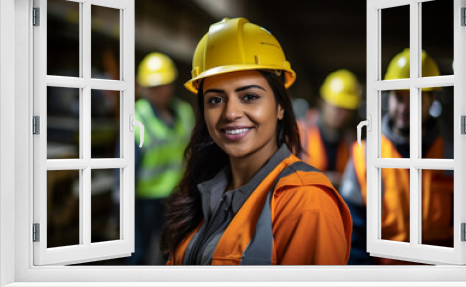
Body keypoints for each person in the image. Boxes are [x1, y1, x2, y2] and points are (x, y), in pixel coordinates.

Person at [160, 17, 352, 265]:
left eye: (249, 96)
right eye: (215, 100)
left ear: (280, 105)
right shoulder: (205, 189)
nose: (230, 113)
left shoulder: (305, 202)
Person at [339, 48, 454, 265]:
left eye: (414, 96)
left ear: (431, 100)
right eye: (398, 96)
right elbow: (354, 238)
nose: (404, 107)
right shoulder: (364, 156)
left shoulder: (454, 156)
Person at [126, 52, 195, 265]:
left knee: (172, 250)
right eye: (154, 87)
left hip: (176, 197)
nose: (160, 92)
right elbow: (125, 167)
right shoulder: (137, 117)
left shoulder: (184, 113)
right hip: (145, 200)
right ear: (143, 87)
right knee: (138, 251)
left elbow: (193, 153)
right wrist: (120, 206)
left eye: (164, 85)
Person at [299, 70, 361, 188]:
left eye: (347, 109)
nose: (342, 114)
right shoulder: (300, 132)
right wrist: (323, 178)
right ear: (322, 102)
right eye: (337, 107)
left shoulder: (351, 140)